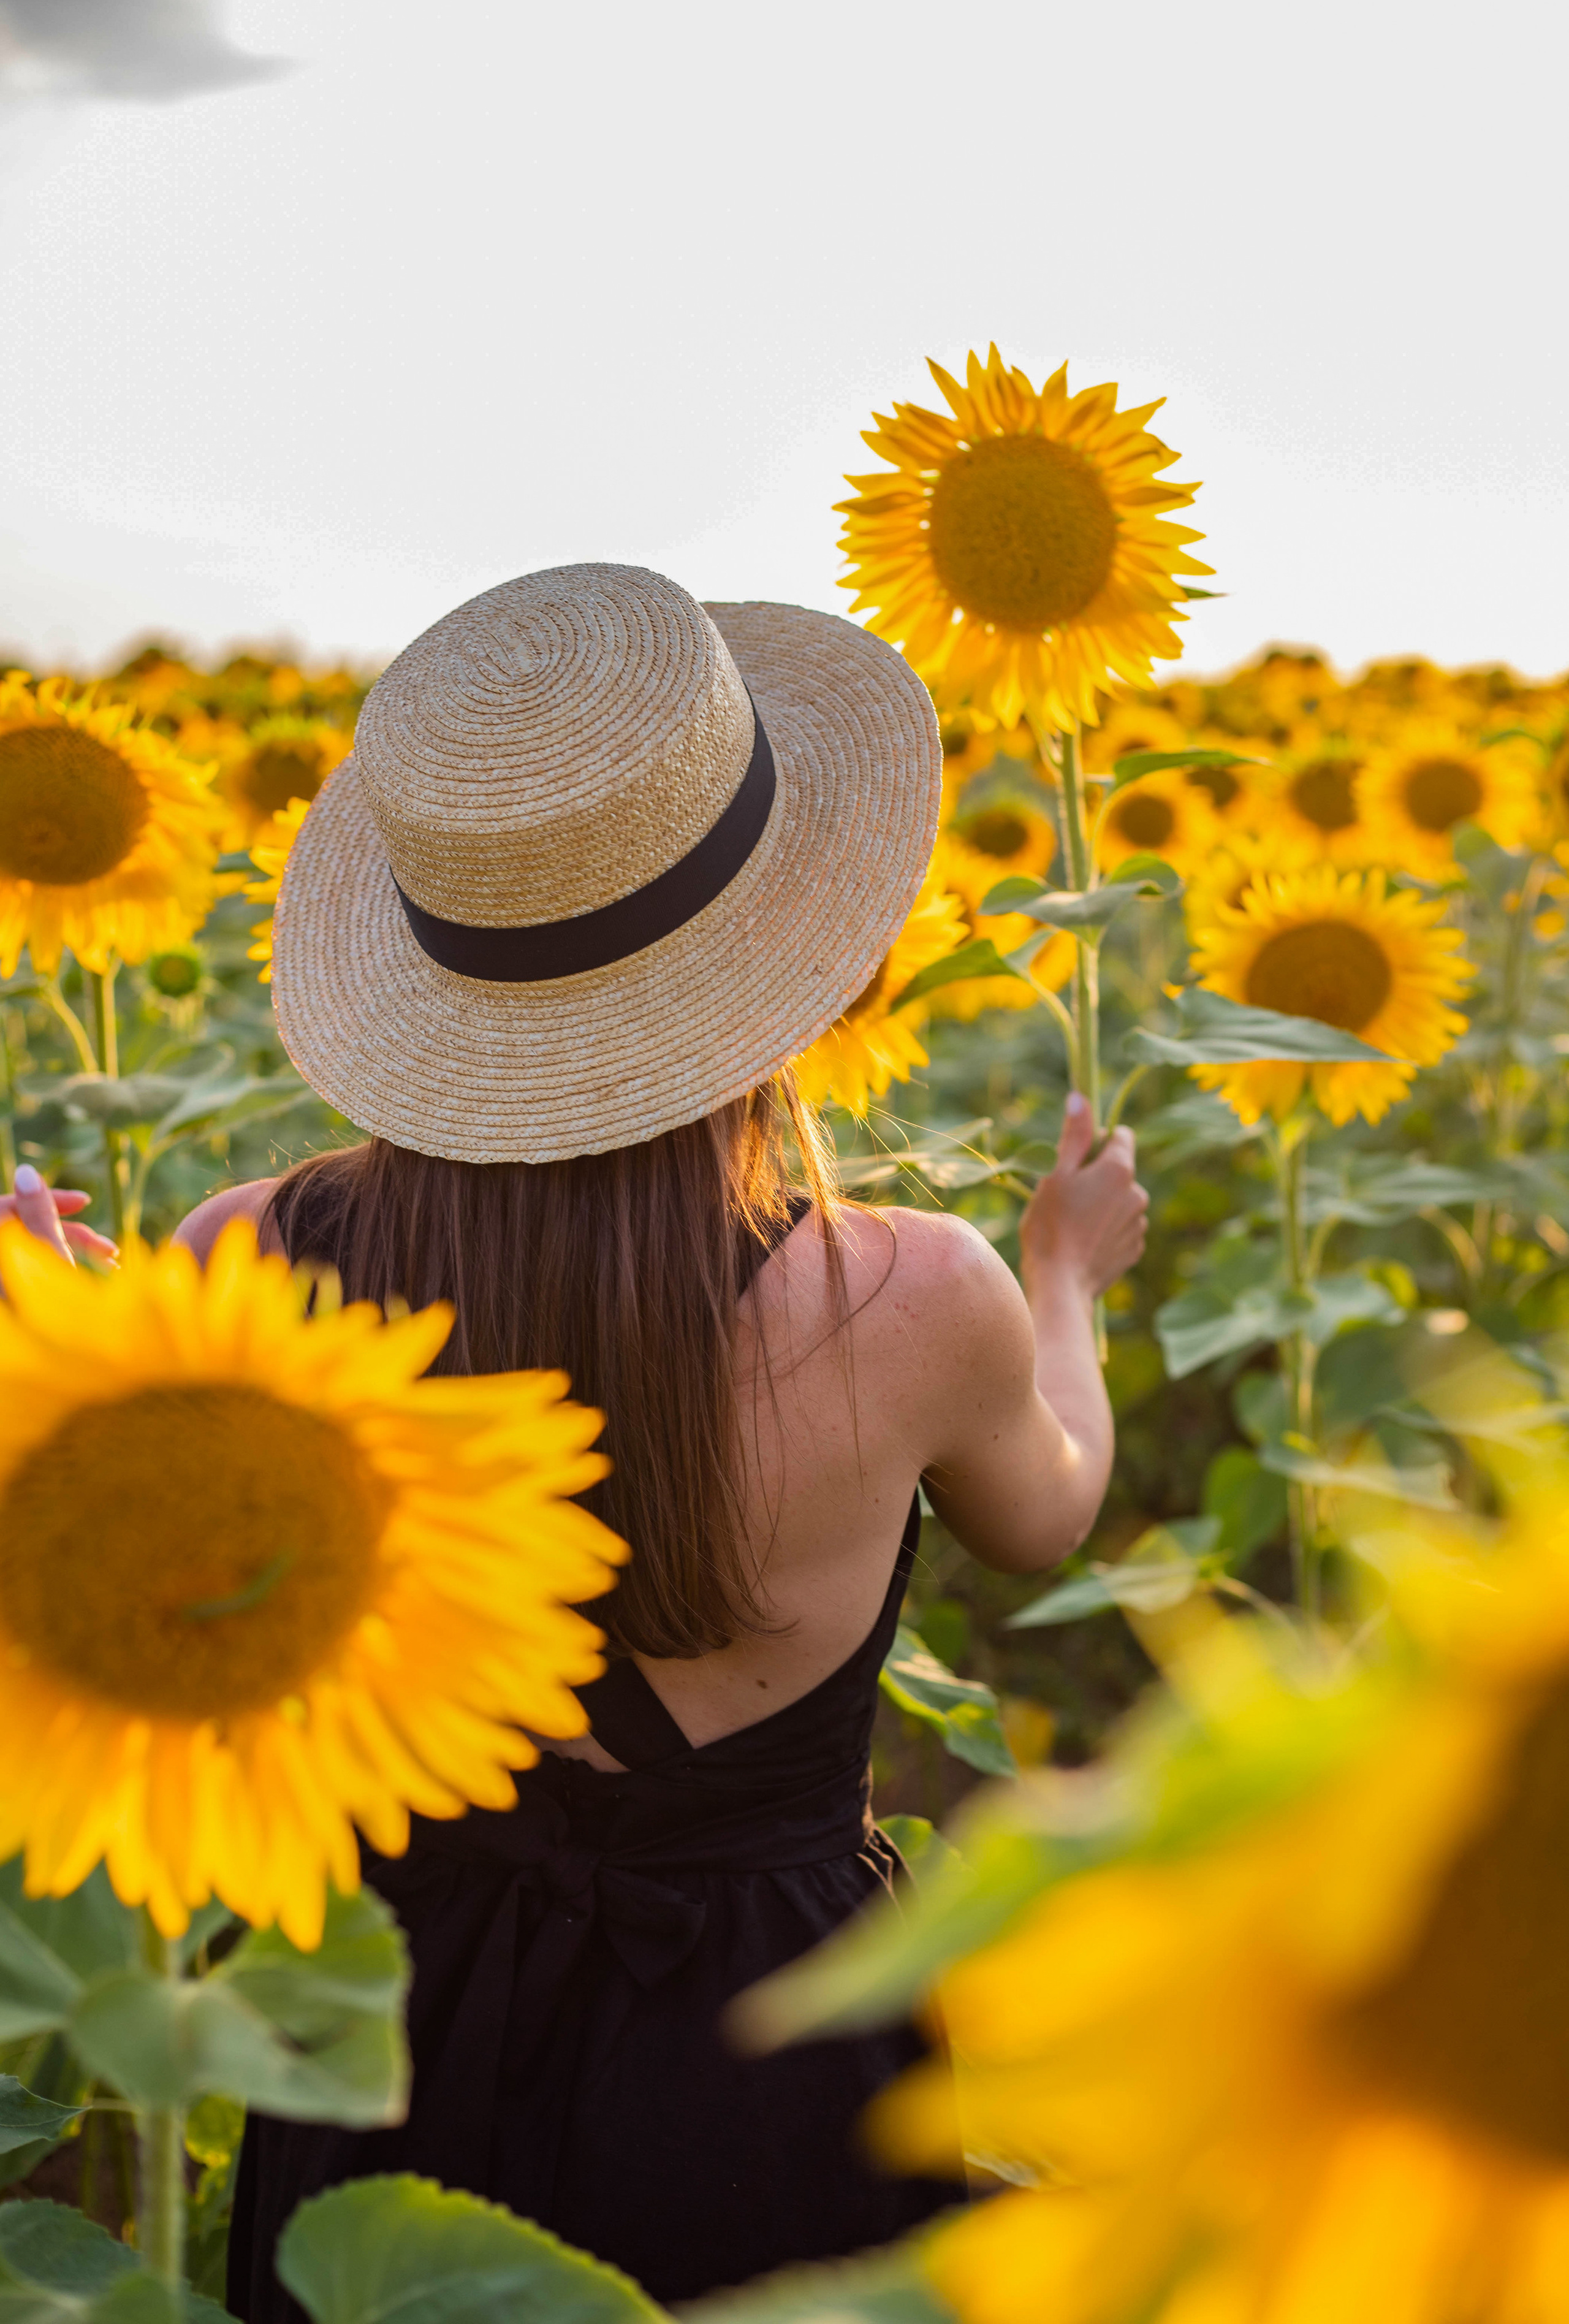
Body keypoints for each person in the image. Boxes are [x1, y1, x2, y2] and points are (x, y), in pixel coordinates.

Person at [21, 565, 1147, 2311]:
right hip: (787, 2066)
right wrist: (1068, 1279)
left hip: (384, 2048)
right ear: (797, 951)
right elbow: (1047, 1518)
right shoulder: (921, 1296)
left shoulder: (245, 1259)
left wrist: (87, 1358)